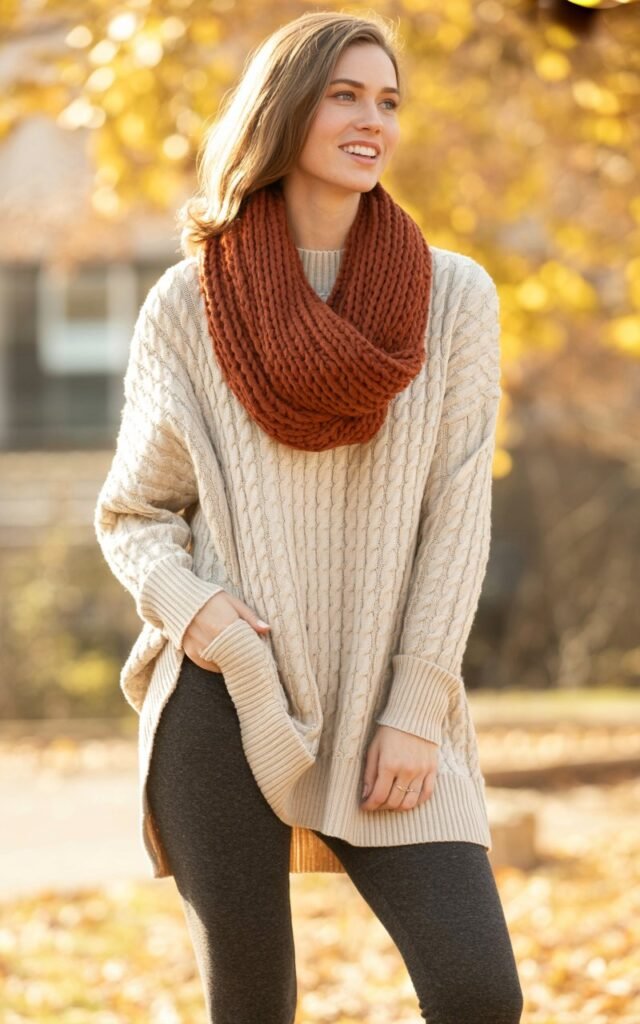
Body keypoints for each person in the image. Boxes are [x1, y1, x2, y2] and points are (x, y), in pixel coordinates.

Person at [94, 10, 524, 1024]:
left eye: (387, 101)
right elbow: (135, 514)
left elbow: (457, 513)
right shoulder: (188, 305)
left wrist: (418, 705)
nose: (373, 119)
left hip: (391, 697)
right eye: (345, 95)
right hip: (222, 696)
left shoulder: (455, 298)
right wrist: (205, 623)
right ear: (284, 112)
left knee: (476, 994)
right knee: (251, 1005)